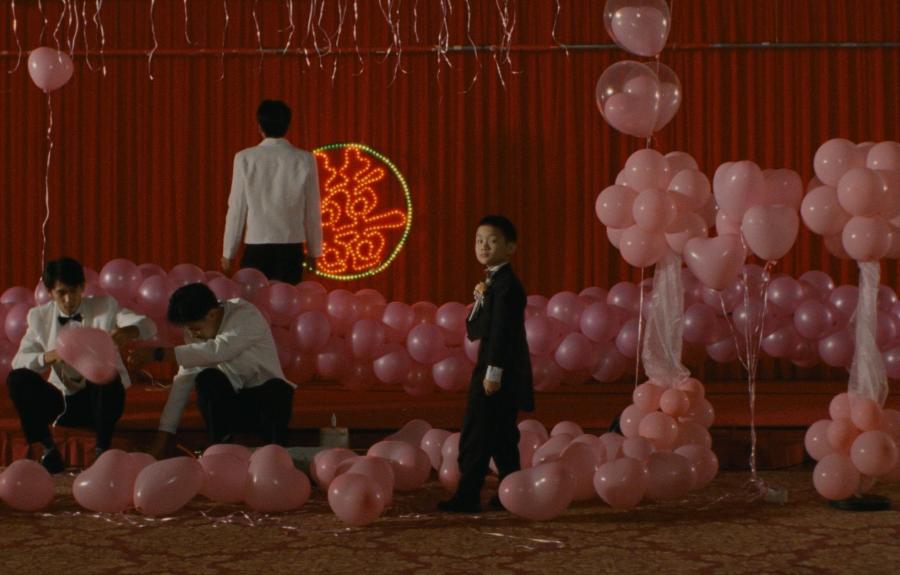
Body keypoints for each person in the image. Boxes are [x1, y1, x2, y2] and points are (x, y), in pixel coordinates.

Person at [7, 257, 156, 473]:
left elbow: (148, 325)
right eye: (61, 293)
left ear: (83, 287)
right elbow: (18, 362)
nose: (68, 299)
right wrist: (51, 356)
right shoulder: (39, 317)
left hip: (102, 401)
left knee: (106, 374)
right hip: (63, 404)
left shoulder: (105, 306)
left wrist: (128, 331)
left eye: (74, 291)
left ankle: (102, 452)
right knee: (17, 379)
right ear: (50, 292)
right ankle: (48, 449)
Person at [129, 283, 295, 458]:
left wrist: (159, 354)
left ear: (213, 314)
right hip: (231, 405)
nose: (193, 334)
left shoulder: (246, 315)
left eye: (195, 328)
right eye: (188, 329)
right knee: (207, 379)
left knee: (277, 388)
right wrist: (161, 440)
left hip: (264, 405)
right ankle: (221, 450)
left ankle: (276, 453)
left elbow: (219, 350)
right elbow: (183, 381)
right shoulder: (195, 332)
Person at [438, 216, 534, 513]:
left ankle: (468, 496)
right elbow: (475, 330)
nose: (484, 246)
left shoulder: (507, 286)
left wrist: (493, 373)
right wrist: (480, 300)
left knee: (477, 431)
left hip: (497, 369)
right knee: (502, 435)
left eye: (492, 241)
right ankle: (513, 493)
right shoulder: (494, 282)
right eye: (479, 240)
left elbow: (502, 333)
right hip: (498, 368)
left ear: (510, 247)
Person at [221, 99, 323, 284]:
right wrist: (314, 251)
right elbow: (312, 210)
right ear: (287, 126)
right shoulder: (305, 159)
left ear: (259, 126)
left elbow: (236, 208)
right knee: (288, 299)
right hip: (291, 248)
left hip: (256, 245)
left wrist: (228, 252)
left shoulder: (244, 158)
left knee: (254, 300)